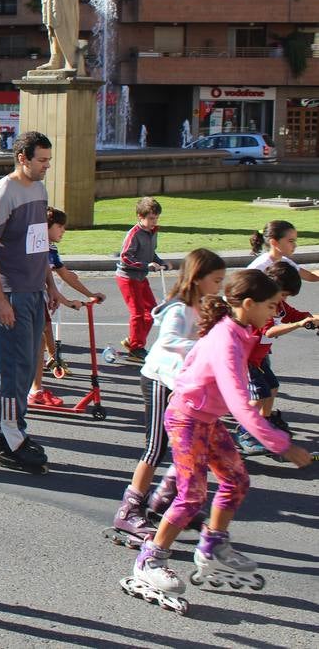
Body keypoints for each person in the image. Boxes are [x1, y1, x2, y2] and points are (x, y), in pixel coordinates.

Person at [122, 270, 311, 613]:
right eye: (271, 305)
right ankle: (149, 560)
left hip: (205, 419)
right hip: (187, 419)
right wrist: (280, 443)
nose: (276, 311)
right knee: (191, 495)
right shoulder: (227, 338)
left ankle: (211, 547)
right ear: (249, 304)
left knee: (236, 479)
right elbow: (239, 402)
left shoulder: (241, 330)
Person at [109, 249, 226, 543]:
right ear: (198, 278)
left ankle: (162, 500)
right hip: (160, 379)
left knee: (190, 443)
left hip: (181, 383)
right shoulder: (180, 308)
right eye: (216, 279)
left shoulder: (205, 304)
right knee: (156, 446)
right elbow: (170, 340)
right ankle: (129, 510)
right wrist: (202, 345)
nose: (220, 286)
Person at [0, 206, 100, 411]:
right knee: (4, 346)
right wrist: (61, 296)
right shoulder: (28, 242)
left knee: (38, 341)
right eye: (60, 226)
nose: (63, 231)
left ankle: (36, 390)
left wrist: (83, 295)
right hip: (13, 294)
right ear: (46, 227)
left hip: (33, 296)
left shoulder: (49, 248)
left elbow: (60, 273)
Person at [0, 130, 53, 475]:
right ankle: (8, 441)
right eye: (42, 160)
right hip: (10, 293)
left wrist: (49, 284)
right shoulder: (3, 192)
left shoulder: (38, 188)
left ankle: (14, 430)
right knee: (12, 368)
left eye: (48, 160)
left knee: (27, 367)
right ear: (22, 158)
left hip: (34, 291)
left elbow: (39, 244)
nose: (46, 166)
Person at [235, 262, 317, 456]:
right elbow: (270, 331)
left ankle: (264, 422)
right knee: (258, 396)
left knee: (272, 387)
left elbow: (295, 315)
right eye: (284, 294)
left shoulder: (279, 305)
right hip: (247, 358)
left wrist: (311, 318)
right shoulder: (265, 305)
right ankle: (245, 433)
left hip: (260, 358)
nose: (284, 299)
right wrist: (299, 324)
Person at [116, 197, 169, 361]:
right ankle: (136, 348)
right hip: (128, 277)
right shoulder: (134, 234)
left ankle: (134, 341)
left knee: (152, 311)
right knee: (138, 313)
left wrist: (160, 262)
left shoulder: (153, 232)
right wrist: (147, 265)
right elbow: (125, 257)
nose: (154, 221)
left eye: (156, 218)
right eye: (151, 218)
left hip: (140, 276)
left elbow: (151, 253)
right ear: (140, 217)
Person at [246, 219, 318, 282]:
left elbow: (310, 276)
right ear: (274, 242)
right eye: (291, 241)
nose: (295, 245)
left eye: (295, 241)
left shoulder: (284, 261)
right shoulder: (259, 268)